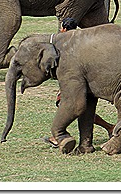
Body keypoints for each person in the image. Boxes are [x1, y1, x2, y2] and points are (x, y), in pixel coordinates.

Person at [44, 17, 115, 148]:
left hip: (75, 82)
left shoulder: (63, 41)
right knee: (73, 108)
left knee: (68, 106)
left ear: (63, 28)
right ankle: (108, 127)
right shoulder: (79, 38)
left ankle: (58, 136)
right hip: (82, 80)